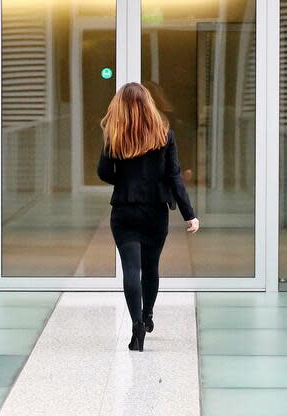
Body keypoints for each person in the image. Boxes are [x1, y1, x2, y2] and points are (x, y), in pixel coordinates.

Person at [97, 82, 199, 352]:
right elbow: (173, 176)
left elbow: (104, 173)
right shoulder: (164, 135)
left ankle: (136, 326)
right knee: (151, 268)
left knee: (131, 268)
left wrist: (124, 177)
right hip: (155, 211)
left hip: (124, 210)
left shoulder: (114, 135)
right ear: (149, 104)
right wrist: (190, 214)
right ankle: (148, 315)